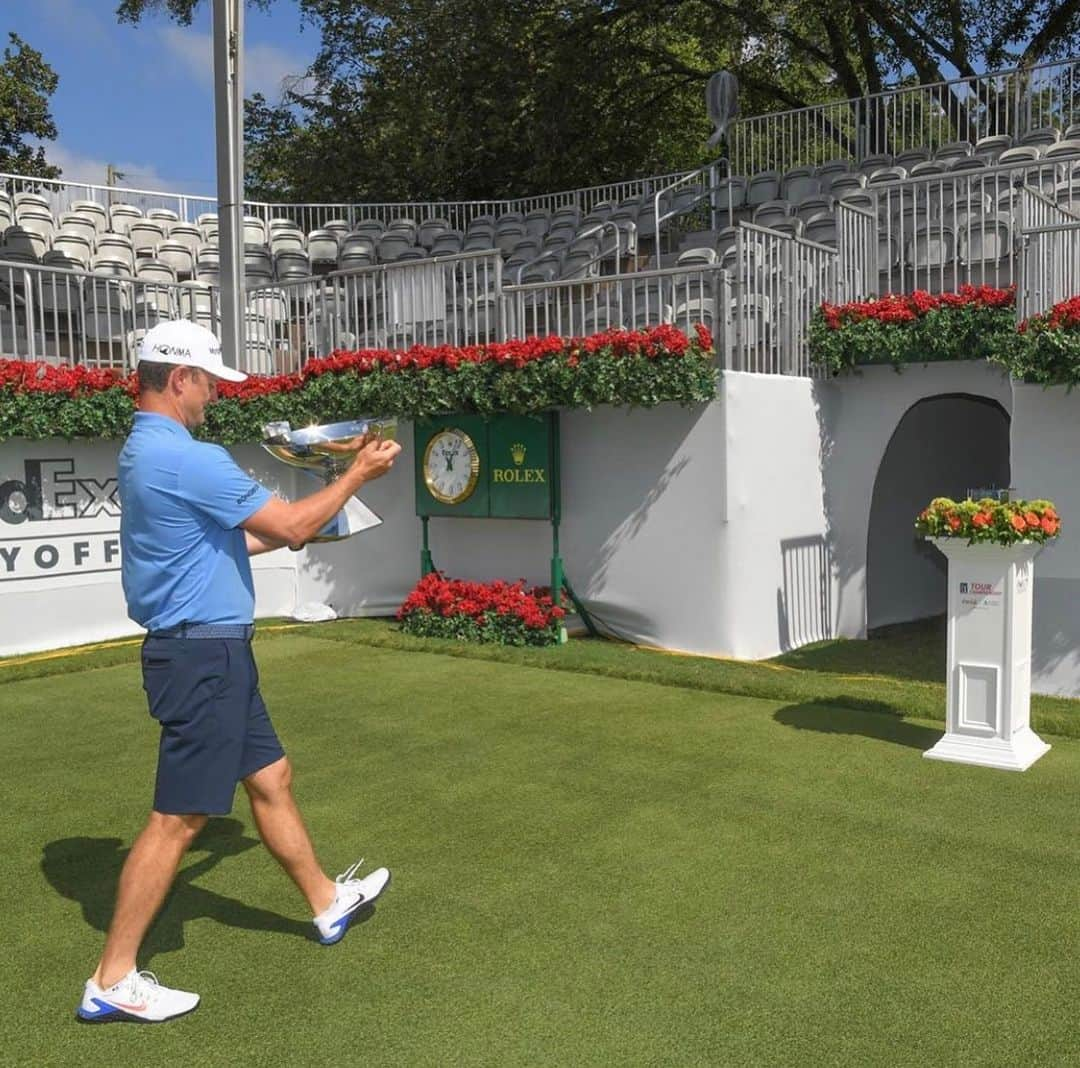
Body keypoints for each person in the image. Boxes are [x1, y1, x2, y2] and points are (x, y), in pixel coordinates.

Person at [77, 319, 402, 1024]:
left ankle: (325, 901)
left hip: (211, 649)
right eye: (210, 384)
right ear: (179, 378)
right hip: (203, 655)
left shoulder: (148, 450)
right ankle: (113, 976)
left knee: (271, 776)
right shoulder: (186, 456)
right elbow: (285, 528)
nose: (214, 398)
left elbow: (230, 542)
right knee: (178, 820)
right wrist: (354, 474)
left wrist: (324, 515)